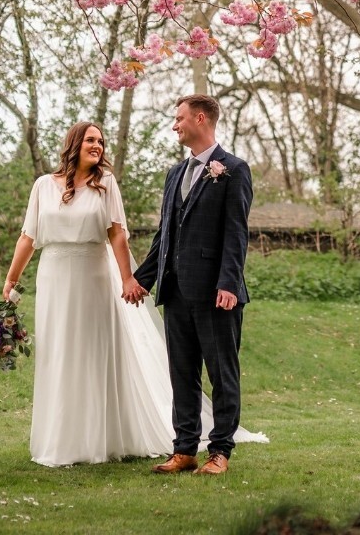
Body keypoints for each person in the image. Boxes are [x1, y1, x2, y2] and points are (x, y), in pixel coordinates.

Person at [1, 121, 267, 467]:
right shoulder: (43, 186)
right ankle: (69, 439)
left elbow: (119, 236)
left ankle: (210, 450)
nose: (98, 145)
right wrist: (11, 281)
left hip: (98, 277)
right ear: (74, 143)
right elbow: (29, 237)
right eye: (91, 140)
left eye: (101, 140)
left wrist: (130, 279)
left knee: (103, 357)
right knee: (62, 355)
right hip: (55, 281)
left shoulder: (107, 184)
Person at [133, 94, 253, 476]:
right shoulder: (173, 174)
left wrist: (229, 283)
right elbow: (164, 235)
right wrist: (142, 279)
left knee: (222, 374)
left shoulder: (233, 169)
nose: (175, 125)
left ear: (200, 119)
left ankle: (220, 452)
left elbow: (237, 233)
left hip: (217, 294)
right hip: (175, 292)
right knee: (182, 374)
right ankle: (184, 450)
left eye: (180, 118)